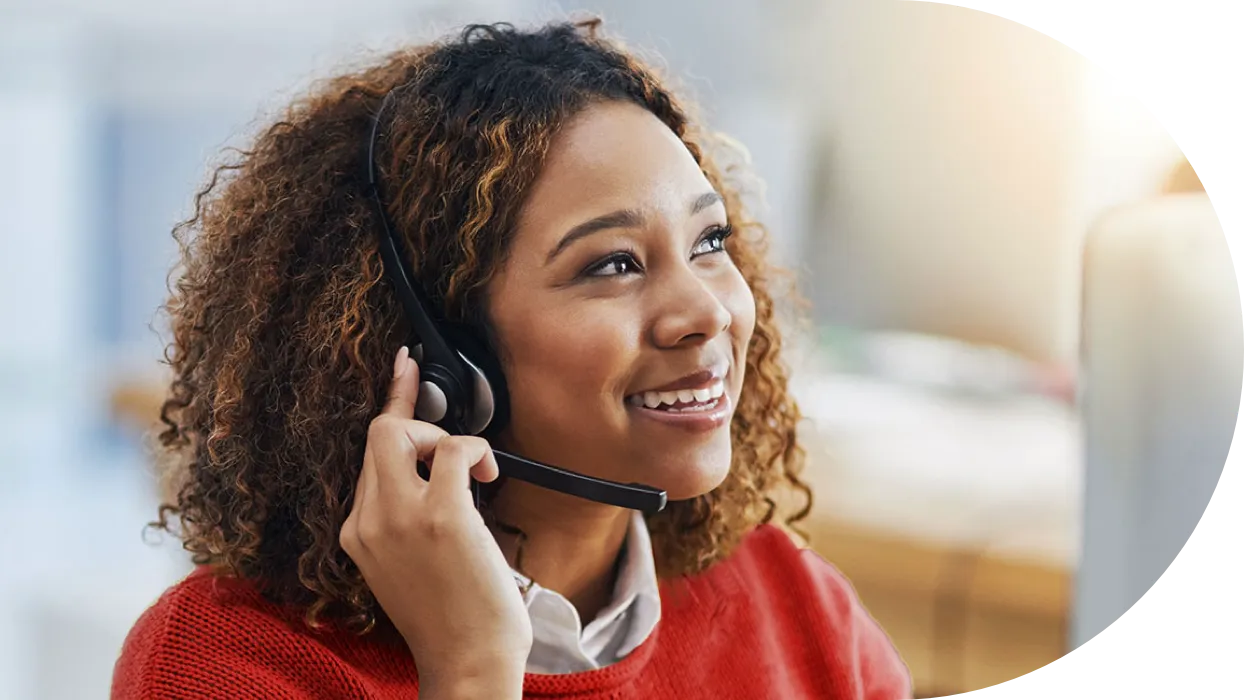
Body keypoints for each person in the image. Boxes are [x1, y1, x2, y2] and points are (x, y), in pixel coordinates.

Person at [111, 19, 912, 700]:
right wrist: (471, 669)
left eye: (709, 242)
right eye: (613, 264)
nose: (707, 312)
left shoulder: (793, 603)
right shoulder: (225, 666)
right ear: (441, 353)